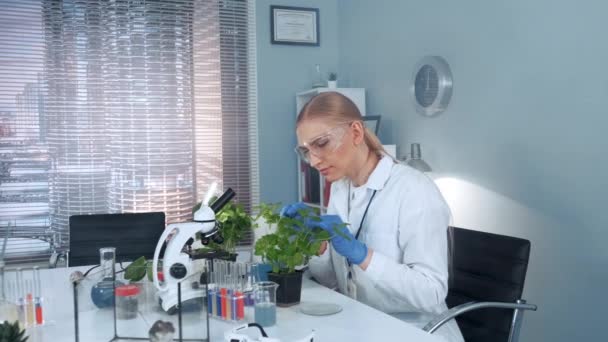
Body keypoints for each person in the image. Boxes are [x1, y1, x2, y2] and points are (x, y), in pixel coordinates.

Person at [281, 92, 464, 342]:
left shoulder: (413, 190)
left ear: (356, 132)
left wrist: (364, 256)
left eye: (321, 144)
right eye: (306, 151)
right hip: (365, 324)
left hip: (416, 332)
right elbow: (333, 282)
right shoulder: (340, 188)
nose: (313, 161)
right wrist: (319, 244)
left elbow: (431, 293)